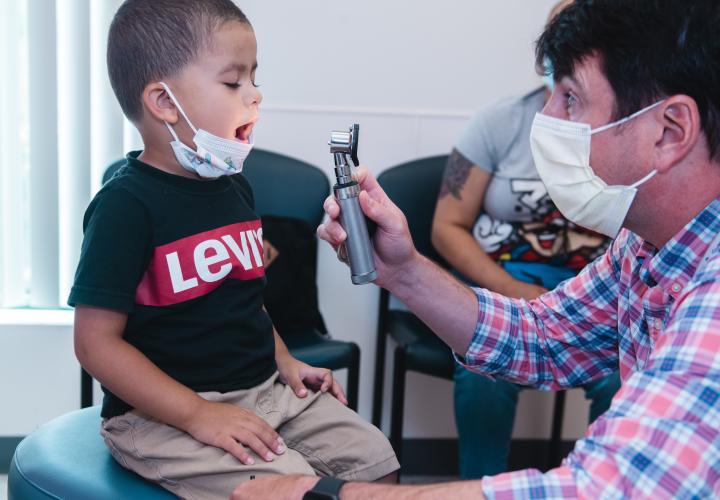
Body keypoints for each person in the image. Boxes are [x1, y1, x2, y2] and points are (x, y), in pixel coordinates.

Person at [232, 0, 720, 497]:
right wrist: (402, 271)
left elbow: (602, 490)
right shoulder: (643, 246)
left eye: (571, 98)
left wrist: (326, 493)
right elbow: (542, 338)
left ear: (670, 130)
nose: (547, 117)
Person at [68, 1, 398, 498]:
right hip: (161, 416)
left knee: (376, 463)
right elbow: (95, 344)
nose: (255, 94)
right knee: (294, 488)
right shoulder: (124, 206)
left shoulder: (234, 188)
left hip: (262, 390)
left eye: (254, 78)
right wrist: (197, 414)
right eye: (233, 82)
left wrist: (286, 361)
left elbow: (245, 298)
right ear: (164, 102)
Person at [431, 0, 620, 478]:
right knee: (484, 371)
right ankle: (480, 484)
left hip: (594, 288)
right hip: (506, 279)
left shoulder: (624, 128)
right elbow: (447, 226)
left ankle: (606, 481)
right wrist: (514, 292)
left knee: (627, 374)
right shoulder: (501, 122)